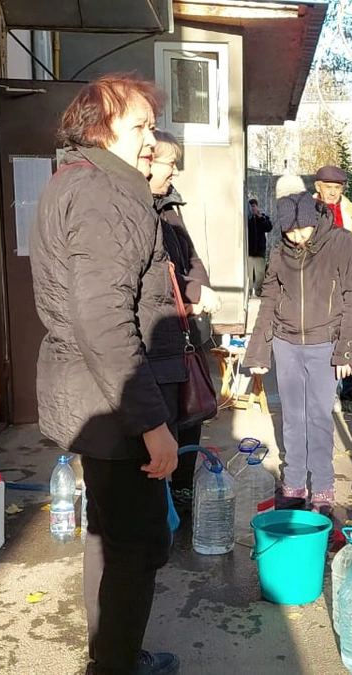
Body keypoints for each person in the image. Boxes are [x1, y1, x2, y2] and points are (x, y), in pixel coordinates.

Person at [29, 74, 182, 675]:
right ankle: (116, 665)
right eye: (139, 126)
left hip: (97, 398)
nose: (151, 140)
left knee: (110, 536)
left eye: (152, 126)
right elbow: (103, 318)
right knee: (138, 544)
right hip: (113, 404)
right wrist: (152, 425)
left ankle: (110, 654)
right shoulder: (105, 194)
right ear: (99, 129)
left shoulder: (81, 181)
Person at [243, 180, 352, 514]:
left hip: (326, 342)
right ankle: (294, 483)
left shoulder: (341, 241)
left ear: (315, 220)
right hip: (287, 344)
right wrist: (258, 351)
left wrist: (347, 350)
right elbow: (269, 299)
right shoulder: (280, 249)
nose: (298, 238)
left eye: (303, 230)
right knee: (292, 417)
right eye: (290, 232)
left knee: (319, 416)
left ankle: (323, 487)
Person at [148, 129, 221, 506]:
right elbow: (156, 271)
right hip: (157, 342)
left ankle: (182, 490)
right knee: (164, 424)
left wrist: (200, 290)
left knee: (191, 416)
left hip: (184, 335)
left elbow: (192, 259)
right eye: (170, 163)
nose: (174, 171)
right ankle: (160, 501)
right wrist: (192, 294)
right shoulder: (138, 211)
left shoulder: (169, 208)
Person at [313, 164, 352, 404]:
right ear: (318, 186)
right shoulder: (308, 208)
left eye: (337, 188)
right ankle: (320, 384)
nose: (333, 192)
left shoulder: (350, 212)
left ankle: (349, 385)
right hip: (317, 280)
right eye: (328, 187)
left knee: (350, 327)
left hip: (346, 278)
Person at [246, 198, 273, 297]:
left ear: (257, 207)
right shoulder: (247, 219)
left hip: (259, 251)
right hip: (249, 251)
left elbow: (268, 228)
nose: (253, 208)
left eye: (254, 206)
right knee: (248, 274)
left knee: (260, 274)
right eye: (251, 207)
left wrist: (260, 217)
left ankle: (259, 292)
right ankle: (248, 292)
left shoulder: (263, 217)